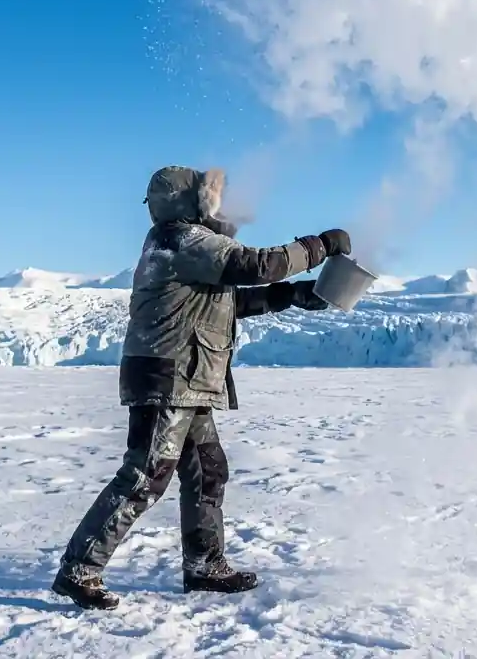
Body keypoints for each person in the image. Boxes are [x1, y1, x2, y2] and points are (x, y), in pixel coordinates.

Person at [52, 165, 351, 610]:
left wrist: (297, 295)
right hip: (167, 377)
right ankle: (80, 568)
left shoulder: (183, 246)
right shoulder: (180, 238)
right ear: (186, 200)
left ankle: (205, 565)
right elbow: (258, 266)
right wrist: (321, 246)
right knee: (145, 476)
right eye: (206, 195)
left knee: (207, 470)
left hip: (186, 378)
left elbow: (233, 299)